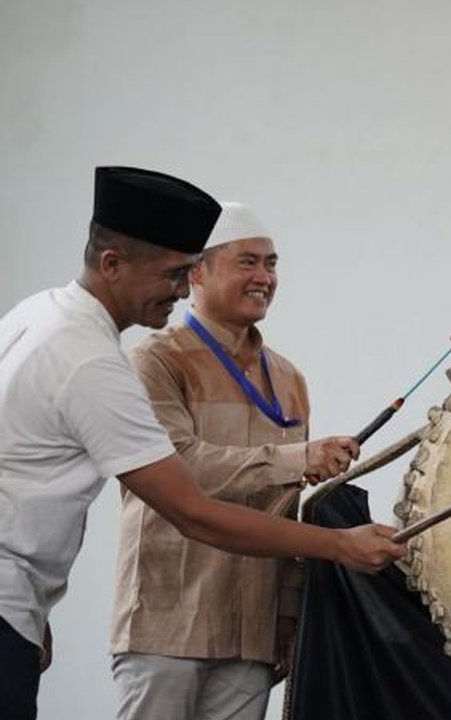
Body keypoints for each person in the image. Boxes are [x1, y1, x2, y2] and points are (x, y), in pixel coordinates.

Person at [0, 167, 405, 720]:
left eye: (271, 263)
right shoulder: (110, 361)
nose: (178, 287)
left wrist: (29, 608)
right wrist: (339, 544)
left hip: (234, 622)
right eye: (174, 273)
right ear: (113, 264)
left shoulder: (41, 313)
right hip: (161, 615)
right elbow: (192, 506)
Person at [109, 202, 357, 720]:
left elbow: (290, 504)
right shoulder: (156, 361)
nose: (264, 277)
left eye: (271, 264)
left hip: (254, 629)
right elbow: (178, 466)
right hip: (167, 620)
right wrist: (299, 456)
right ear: (196, 272)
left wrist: (288, 612)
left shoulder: (288, 377)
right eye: (247, 262)